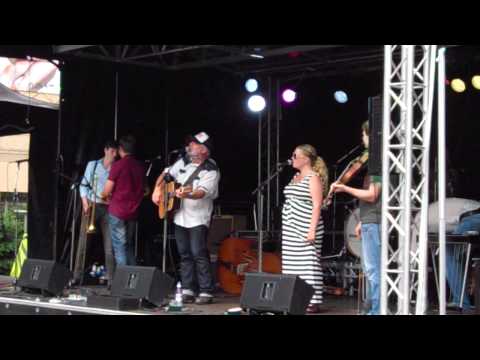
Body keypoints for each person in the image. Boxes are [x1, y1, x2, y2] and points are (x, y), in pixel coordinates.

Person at [151, 132, 220, 305]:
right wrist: (157, 190)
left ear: (204, 150)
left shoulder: (211, 169)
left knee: (199, 253)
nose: (189, 145)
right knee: (184, 254)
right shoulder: (182, 161)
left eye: (194, 144)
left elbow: (201, 192)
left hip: (198, 217)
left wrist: (188, 193)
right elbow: (166, 174)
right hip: (179, 216)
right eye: (190, 143)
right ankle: (188, 288)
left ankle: (206, 290)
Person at [330, 121, 382, 315]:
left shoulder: (377, 161)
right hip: (370, 219)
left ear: (371, 135)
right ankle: (373, 309)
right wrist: (362, 220)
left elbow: (373, 195)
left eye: (364, 135)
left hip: (375, 221)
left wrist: (344, 188)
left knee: (373, 270)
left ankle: (376, 311)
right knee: (371, 271)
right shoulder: (375, 162)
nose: (362, 139)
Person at [282, 144, 328, 313]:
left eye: (295, 155)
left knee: (308, 263)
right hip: (291, 228)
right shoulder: (295, 177)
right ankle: (295, 298)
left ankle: (312, 300)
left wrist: (312, 230)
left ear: (306, 159)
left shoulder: (313, 177)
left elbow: (317, 205)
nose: (292, 158)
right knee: (292, 264)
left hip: (306, 226)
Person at [73, 140, 118, 285]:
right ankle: (77, 276)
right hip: (92, 205)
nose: (114, 155)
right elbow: (83, 186)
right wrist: (85, 203)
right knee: (83, 243)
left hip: (108, 208)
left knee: (109, 246)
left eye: (116, 152)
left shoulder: (117, 167)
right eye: (112, 151)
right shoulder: (93, 165)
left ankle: (112, 279)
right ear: (105, 150)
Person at [101, 135, 145, 267]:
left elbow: (107, 190)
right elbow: (145, 189)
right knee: (128, 245)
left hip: (118, 211)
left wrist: (104, 196)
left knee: (119, 247)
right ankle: (132, 279)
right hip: (133, 212)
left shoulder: (118, 165)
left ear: (120, 149)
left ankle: (123, 282)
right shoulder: (140, 166)